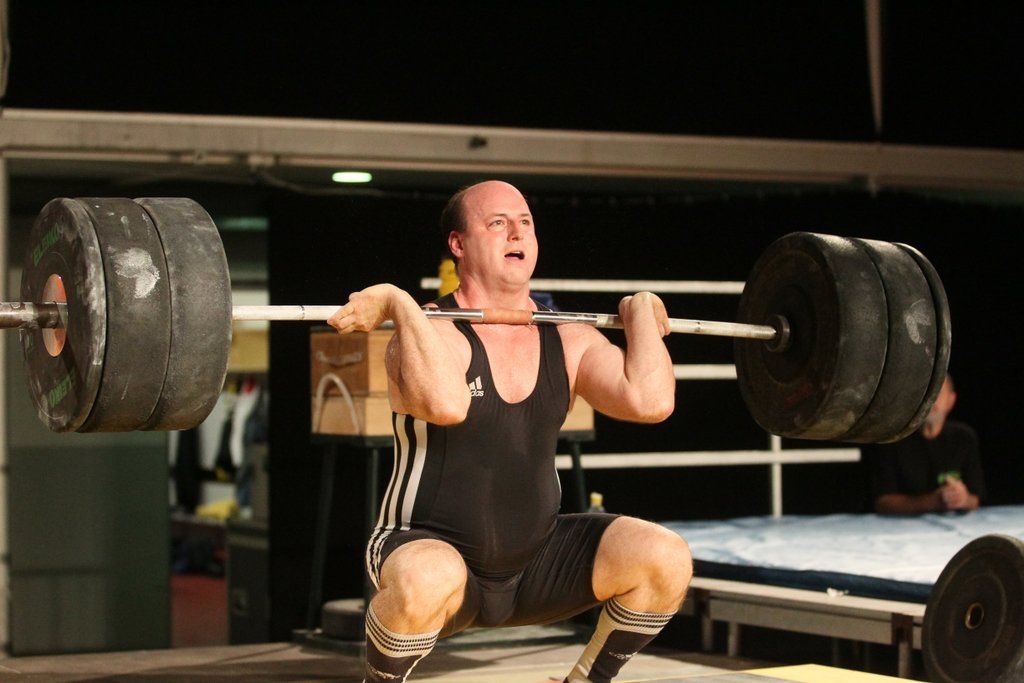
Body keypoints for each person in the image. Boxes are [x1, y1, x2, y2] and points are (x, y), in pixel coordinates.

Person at [327, 180, 692, 683]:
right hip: (429, 550)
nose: (516, 233)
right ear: (458, 244)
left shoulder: (568, 337)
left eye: (525, 223)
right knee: (426, 578)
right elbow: (445, 405)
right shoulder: (431, 330)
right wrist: (399, 304)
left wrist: (641, 314)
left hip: (538, 560)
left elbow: (650, 403)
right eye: (497, 223)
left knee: (665, 556)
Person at [868, 376, 985, 514]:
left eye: (938, 392)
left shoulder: (964, 437)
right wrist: (934, 501)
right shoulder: (893, 438)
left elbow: (975, 498)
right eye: (925, 391)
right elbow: (882, 502)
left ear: (951, 400)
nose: (930, 398)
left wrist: (963, 499)